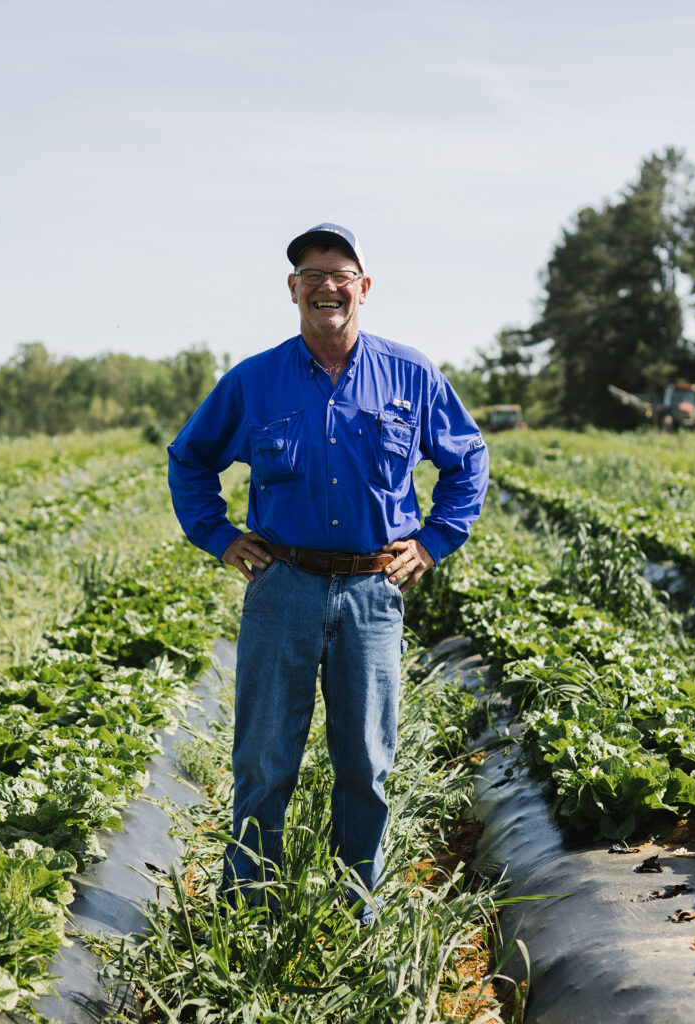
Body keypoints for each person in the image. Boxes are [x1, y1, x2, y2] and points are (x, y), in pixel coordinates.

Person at [167, 223, 488, 922]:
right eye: (310, 275)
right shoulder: (254, 380)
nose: (326, 286)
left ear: (363, 289)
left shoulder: (410, 375)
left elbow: (468, 460)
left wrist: (433, 541)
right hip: (284, 585)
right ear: (292, 291)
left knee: (366, 764)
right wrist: (218, 536)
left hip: (374, 591)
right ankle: (249, 907)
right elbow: (189, 458)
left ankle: (355, 909)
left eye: (340, 274)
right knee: (263, 758)